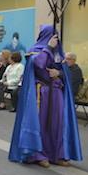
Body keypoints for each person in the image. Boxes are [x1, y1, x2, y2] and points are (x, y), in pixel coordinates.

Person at [8, 25, 82, 167]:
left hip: (57, 92)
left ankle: (57, 154)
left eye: (57, 36)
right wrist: (48, 48)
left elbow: (66, 72)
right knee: (40, 123)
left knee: (57, 123)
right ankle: (38, 154)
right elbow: (38, 64)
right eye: (53, 36)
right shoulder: (35, 50)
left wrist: (59, 73)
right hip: (40, 92)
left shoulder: (59, 53)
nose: (56, 39)